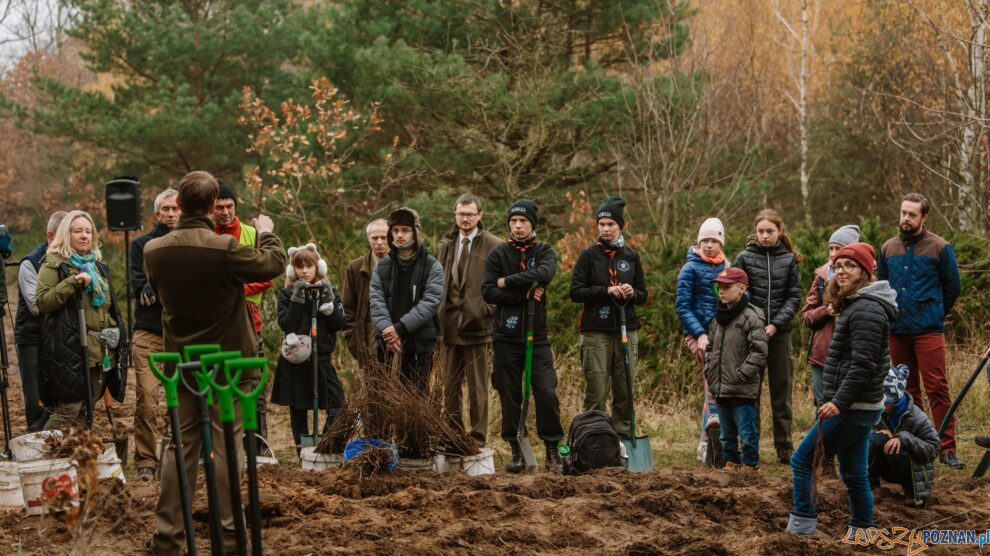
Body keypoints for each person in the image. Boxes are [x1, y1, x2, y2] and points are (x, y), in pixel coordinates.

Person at [144, 171, 286, 554]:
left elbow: (158, 293)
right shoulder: (223, 248)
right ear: (211, 207)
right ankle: (228, 536)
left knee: (180, 446)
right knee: (225, 447)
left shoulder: (154, 251)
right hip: (229, 365)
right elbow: (272, 264)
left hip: (183, 364)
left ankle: (169, 536)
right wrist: (266, 231)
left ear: (181, 205)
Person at [787, 242, 898, 538]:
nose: (841, 272)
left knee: (802, 461)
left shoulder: (866, 309)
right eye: (837, 266)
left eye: (850, 266)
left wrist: (838, 401)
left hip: (852, 407)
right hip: (860, 407)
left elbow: (863, 365)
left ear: (865, 270)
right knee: (854, 473)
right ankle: (863, 529)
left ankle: (802, 527)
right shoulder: (856, 304)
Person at [877, 193, 963, 469]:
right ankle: (915, 442)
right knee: (905, 389)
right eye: (903, 213)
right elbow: (881, 286)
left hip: (928, 330)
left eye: (912, 214)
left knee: (937, 387)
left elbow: (952, 287)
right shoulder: (888, 247)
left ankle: (946, 448)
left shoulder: (939, 247)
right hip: (897, 330)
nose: (905, 218)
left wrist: (935, 312)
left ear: (924, 217)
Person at [482, 199, 564, 473]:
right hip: (505, 337)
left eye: (523, 222)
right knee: (509, 393)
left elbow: (546, 272)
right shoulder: (498, 254)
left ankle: (552, 448)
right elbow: (488, 291)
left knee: (546, 390)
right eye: (513, 222)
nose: (517, 226)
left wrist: (507, 281)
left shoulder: (543, 250)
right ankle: (515, 448)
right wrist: (524, 292)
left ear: (532, 225)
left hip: (536, 335)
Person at [35, 210, 126, 431]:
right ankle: (40, 454)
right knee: (70, 407)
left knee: (87, 405)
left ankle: (73, 456)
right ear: (67, 234)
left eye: (88, 231)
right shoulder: (54, 264)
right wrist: (72, 283)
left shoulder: (98, 266)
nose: (84, 236)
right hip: (70, 351)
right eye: (78, 231)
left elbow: (109, 308)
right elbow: (43, 302)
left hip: (101, 351)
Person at [569, 197, 647, 438]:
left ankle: (623, 437)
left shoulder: (631, 256)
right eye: (601, 224)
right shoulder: (588, 255)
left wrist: (632, 292)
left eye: (610, 224)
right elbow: (575, 292)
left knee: (625, 389)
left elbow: (643, 294)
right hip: (595, 332)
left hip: (626, 330)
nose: (605, 228)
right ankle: (595, 438)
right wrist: (606, 290)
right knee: (597, 389)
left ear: (620, 227)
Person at [734, 209, 803, 463]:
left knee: (781, 392)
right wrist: (755, 324)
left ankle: (784, 448)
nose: (764, 236)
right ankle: (750, 447)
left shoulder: (789, 260)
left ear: (779, 232)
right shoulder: (743, 258)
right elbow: (736, 293)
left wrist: (775, 324)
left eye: (769, 231)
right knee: (750, 392)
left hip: (780, 335)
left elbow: (794, 296)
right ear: (756, 231)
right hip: (750, 336)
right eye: (761, 231)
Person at [436, 193, 501, 447]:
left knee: (477, 388)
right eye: (461, 214)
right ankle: (452, 436)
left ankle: (477, 439)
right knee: (450, 387)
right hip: (449, 325)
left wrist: (485, 309)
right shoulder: (445, 244)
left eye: (470, 214)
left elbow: (501, 285)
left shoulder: (494, 245)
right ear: (455, 215)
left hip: (478, 326)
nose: (465, 219)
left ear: (480, 216)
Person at [213, 181, 275, 440]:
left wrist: (232, 288)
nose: (225, 212)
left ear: (235, 206)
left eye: (229, 206)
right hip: (216, 324)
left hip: (251, 322)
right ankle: (224, 440)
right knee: (218, 383)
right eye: (219, 207)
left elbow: (266, 276)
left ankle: (257, 442)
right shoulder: (207, 234)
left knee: (253, 385)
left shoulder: (252, 233)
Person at [271, 244, 346, 452]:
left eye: (309, 266)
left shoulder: (329, 291)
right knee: (299, 409)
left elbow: (339, 324)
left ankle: (326, 446)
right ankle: (303, 453)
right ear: (292, 269)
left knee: (338, 404)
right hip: (296, 360)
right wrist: (297, 298)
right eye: (299, 266)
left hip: (321, 358)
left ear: (317, 267)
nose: (304, 271)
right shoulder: (286, 294)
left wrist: (329, 305)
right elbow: (287, 324)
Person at [128, 188, 179, 482]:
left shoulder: (188, 241)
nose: (171, 214)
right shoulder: (141, 244)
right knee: (148, 398)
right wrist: (146, 288)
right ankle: (146, 460)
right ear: (157, 213)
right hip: (148, 332)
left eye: (175, 209)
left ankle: (176, 452)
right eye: (166, 209)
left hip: (181, 333)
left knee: (180, 398)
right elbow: (136, 281)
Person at [368, 207, 444, 392]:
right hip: (386, 343)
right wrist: (388, 331)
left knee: (416, 399)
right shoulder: (382, 266)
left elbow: (430, 302)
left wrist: (400, 329)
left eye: (405, 230)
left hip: (419, 345)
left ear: (415, 232)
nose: (400, 235)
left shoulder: (432, 266)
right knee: (383, 399)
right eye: (395, 230)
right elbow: (376, 300)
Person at [675, 217, 729, 464]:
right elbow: (683, 307)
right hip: (699, 336)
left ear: (720, 243)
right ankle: (707, 444)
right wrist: (700, 334)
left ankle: (709, 442)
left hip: (723, 335)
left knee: (715, 387)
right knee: (713, 387)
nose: (709, 245)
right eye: (705, 240)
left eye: (714, 240)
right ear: (698, 242)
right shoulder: (690, 268)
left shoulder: (726, 267)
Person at [704, 267, 767, 472]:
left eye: (726, 287)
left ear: (741, 289)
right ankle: (731, 462)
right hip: (721, 387)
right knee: (726, 433)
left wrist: (742, 374)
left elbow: (759, 351)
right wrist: (710, 372)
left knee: (747, 433)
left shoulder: (752, 316)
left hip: (742, 388)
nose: (721, 291)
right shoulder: (716, 318)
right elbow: (710, 348)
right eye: (719, 287)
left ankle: (750, 465)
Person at [15, 211, 66, 432]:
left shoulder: (70, 260)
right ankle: (34, 438)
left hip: (59, 336)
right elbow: (36, 306)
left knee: (60, 393)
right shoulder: (29, 263)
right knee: (35, 397)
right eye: (63, 236)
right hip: (32, 337)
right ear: (50, 235)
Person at [801, 224, 860, 410]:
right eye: (831, 248)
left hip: (851, 356)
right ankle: (821, 440)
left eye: (839, 248)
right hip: (822, 356)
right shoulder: (821, 277)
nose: (834, 253)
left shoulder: (865, 280)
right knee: (822, 407)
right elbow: (807, 316)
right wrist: (826, 310)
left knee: (849, 408)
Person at [869, 364, 939, 508]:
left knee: (897, 447)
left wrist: (904, 438)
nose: (878, 406)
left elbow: (933, 448)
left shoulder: (917, 416)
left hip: (915, 472)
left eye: (883, 402)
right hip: (890, 467)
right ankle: (871, 486)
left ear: (895, 399)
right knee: (874, 439)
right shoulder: (880, 413)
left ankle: (914, 495)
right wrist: (879, 433)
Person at [342, 219, 389, 371]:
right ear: (369, 239)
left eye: (384, 237)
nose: (379, 242)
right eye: (375, 238)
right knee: (372, 393)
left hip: (398, 346)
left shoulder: (404, 265)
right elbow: (348, 310)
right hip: (369, 347)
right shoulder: (355, 268)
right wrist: (354, 343)